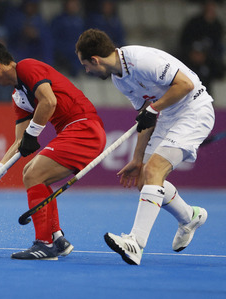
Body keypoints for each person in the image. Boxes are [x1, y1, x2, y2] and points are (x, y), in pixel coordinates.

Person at [75, 28, 215, 265]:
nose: (86, 70)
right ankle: (189, 217)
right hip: (169, 114)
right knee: (144, 178)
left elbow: (185, 85)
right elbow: (145, 117)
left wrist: (153, 109)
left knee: (155, 171)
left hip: (194, 110)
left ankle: (136, 243)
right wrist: (137, 158)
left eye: (86, 65)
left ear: (95, 59)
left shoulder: (141, 60)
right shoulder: (119, 81)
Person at [0, 38, 106, 260]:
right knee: (33, 174)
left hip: (84, 128)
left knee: (33, 173)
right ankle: (57, 239)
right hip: (74, 132)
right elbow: (19, 143)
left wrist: (32, 134)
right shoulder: (19, 98)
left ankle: (44, 244)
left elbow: (49, 101)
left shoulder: (27, 67)